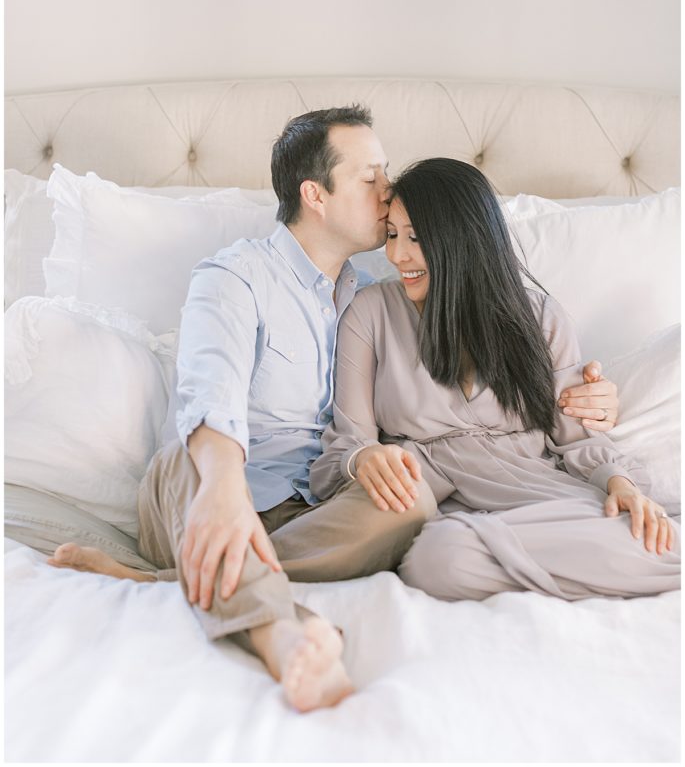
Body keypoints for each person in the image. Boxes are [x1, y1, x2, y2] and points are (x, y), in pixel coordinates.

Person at [49, 111, 622, 710]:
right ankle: (282, 634)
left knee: (413, 502)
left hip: (319, 516)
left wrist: (592, 396)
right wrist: (223, 488)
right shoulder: (234, 277)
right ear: (315, 195)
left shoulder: (386, 285)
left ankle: (160, 586)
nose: (388, 192)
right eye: (371, 177)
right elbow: (207, 388)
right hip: (210, 489)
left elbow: (477, 345)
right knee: (192, 461)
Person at [309, 158, 679, 601]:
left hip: (544, 499)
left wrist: (622, 485)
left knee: (656, 537)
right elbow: (346, 448)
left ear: (463, 240)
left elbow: (576, 441)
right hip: (449, 514)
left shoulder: (540, 317)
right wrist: (366, 458)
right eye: (392, 234)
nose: (396, 254)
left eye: (415, 238)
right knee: (439, 560)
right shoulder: (370, 314)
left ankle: (544, 564)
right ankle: (578, 569)